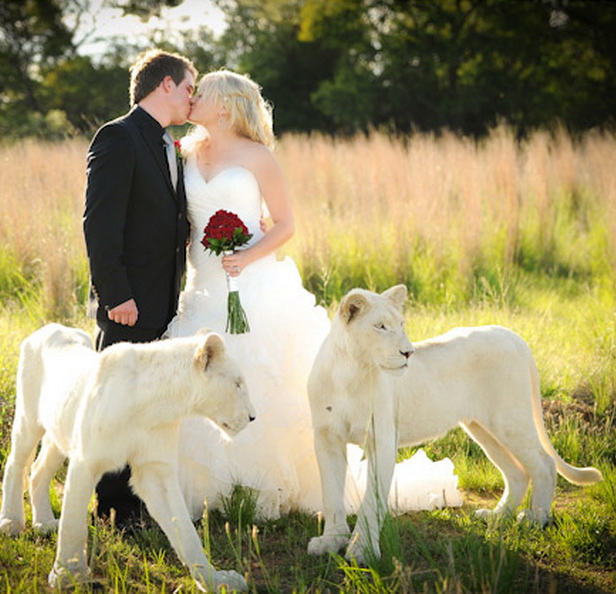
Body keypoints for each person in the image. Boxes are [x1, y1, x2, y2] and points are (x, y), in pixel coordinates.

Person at [165, 70, 463, 520]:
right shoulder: (184, 151)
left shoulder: (257, 156)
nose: (193, 97)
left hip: (253, 279)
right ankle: (207, 491)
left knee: (264, 376)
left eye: (201, 92)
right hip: (204, 281)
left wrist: (245, 257)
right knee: (200, 375)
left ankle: (265, 488)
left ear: (224, 105)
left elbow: (285, 224)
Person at [82, 49, 196, 529]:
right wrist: (116, 296)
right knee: (116, 406)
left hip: (163, 299)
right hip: (128, 302)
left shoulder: (169, 144)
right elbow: (99, 225)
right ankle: (112, 510)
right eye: (189, 87)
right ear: (164, 85)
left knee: (146, 407)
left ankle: (140, 502)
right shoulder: (119, 136)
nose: (193, 97)